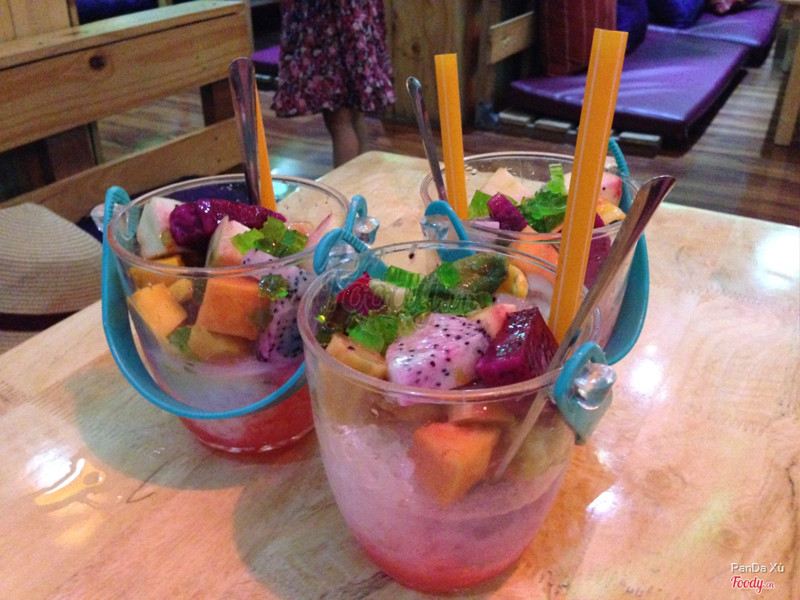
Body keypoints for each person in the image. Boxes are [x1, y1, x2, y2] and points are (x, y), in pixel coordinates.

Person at [271, 0, 396, 167]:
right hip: (353, 29)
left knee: (339, 123)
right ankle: (361, 177)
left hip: (332, 33)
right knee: (355, 117)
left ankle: (345, 182)